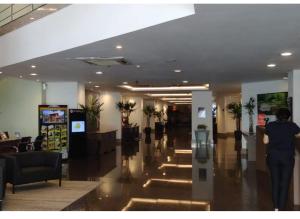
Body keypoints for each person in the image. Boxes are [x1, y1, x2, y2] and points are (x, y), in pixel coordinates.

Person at [263, 108, 300, 211]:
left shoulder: (270, 125)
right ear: (288, 116)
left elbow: (265, 141)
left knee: (275, 182)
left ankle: (275, 208)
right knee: (284, 183)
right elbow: (298, 134)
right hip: (287, 158)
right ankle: (281, 209)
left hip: (273, 157)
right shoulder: (292, 125)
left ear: (277, 116)